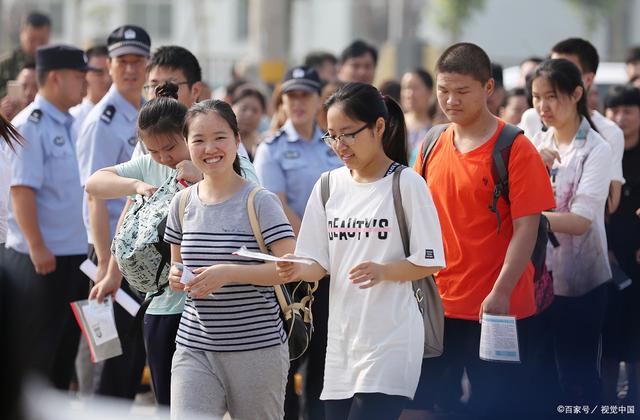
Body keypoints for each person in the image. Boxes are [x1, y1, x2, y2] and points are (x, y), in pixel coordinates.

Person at [275, 82, 445, 420]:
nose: (339, 145)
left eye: (349, 134)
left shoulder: (407, 184)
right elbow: (317, 264)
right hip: (342, 341)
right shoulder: (327, 185)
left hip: (392, 338)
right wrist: (294, 267)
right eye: (332, 136)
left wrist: (384, 271)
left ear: (379, 127)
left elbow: (430, 261)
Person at [408, 43, 555, 419]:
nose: (450, 100)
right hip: (437, 305)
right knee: (418, 404)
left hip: (497, 309)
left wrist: (502, 290)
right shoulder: (430, 144)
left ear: (488, 88)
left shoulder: (515, 149)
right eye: (443, 90)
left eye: (462, 91)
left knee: (494, 407)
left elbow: (528, 227)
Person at [85, 82, 254, 406]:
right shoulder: (150, 167)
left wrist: (200, 176)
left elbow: (248, 198)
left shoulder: (223, 164)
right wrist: (135, 185)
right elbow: (96, 186)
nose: (163, 157)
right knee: (169, 404)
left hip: (216, 303)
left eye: (171, 148)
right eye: (153, 150)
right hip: (163, 304)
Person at [164, 99, 295, 419]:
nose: (210, 148)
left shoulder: (259, 201)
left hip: (257, 349)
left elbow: (290, 268)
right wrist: (177, 278)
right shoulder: (181, 204)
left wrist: (229, 273)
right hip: (194, 348)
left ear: (237, 140)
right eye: (198, 140)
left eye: (220, 137)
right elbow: (177, 269)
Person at [254, 66, 343, 420]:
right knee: (288, 356)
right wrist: (314, 243)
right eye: (291, 95)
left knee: (323, 354)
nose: (298, 102)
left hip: (330, 266)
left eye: (305, 94)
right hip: (290, 266)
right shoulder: (272, 148)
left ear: (319, 98)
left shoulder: (332, 145)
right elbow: (275, 205)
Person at [1, 44, 89, 390]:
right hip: (39, 260)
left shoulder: (70, 123)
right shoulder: (30, 124)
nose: (84, 84)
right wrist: (37, 246)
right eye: (79, 76)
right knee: (38, 355)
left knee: (63, 354)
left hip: (70, 256)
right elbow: (22, 190)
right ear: (55, 78)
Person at [529, 58, 612, 403]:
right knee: (541, 375)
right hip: (536, 280)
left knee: (578, 379)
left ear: (578, 93)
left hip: (581, 281)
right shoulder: (534, 142)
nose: (542, 106)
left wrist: (531, 219)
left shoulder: (596, 148)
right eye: (536, 97)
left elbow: (580, 221)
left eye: (552, 96)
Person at [76, 24, 151, 400]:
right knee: (106, 358)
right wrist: (107, 265)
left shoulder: (143, 110)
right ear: (109, 65)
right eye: (123, 61)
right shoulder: (102, 120)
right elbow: (94, 196)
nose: (131, 69)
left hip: (133, 253)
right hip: (107, 252)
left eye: (138, 60)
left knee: (130, 358)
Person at [519, 38, 625, 214]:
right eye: (552, 65)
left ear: (587, 80)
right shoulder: (532, 119)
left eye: (565, 69)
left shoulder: (606, 135)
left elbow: (608, 204)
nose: (555, 73)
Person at [602, 85, 640, 405]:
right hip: (606, 258)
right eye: (613, 111)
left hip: (638, 258)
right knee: (609, 333)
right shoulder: (605, 153)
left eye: (628, 111)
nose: (619, 118)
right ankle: (606, 401)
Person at [0, 11, 50, 97]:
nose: (37, 46)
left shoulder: (54, 66)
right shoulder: (5, 64)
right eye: (32, 40)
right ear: (22, 33)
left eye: (42, 41)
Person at [70, 45, 112, 137]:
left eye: (110, 72)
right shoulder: (73, 118)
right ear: (85, 75)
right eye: (99, 73)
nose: (107, 79)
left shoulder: (127, 114)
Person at [400, 68, 434, 161]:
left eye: (415, 88)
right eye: (406, 88)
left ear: (429, 92)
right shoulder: (396, 124)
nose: (409, 94)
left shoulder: (436, 129)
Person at [231, 86, 266, 161]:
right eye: (244, 108)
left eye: (255, 110)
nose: (249, 114)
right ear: (232, 107)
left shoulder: (264, 147)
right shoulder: (223, 144)